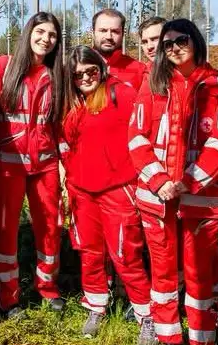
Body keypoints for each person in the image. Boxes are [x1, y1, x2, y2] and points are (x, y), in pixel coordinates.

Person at [127, 18, 218, 345]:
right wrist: (160, 180)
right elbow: (136, 137)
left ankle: (203, 336)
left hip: (202, 198)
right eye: (168, 44)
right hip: (157, 196)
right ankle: (168, 337)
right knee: (162, 271)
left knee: (200, 272)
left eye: (182, 41)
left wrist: (188, 182)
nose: (175, 48)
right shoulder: (152, 85)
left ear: (196, 41)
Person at [62, 46, 156, 342]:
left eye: (91, 71)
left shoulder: (122, 93)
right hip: (82, 190)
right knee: (89, 252)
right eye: (78, 75)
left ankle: (146, 315)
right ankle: (96, 305)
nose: (85, 78)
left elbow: (145, 130)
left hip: (118, 188)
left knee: (125, 254)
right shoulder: (71, 102)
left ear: (101, 69)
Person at [0, 12, 68, 319]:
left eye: (53, 35)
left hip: (45, 165)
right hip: (7, 164)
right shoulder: (3, 67)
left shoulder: (57, 73)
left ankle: (47, 286)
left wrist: (64, 165)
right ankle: (7, 296)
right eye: (40, 31)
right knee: (5, 230)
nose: (46, 39)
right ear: (28, 32)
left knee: (50, 227)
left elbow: (60, 123)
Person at [91, 8, 146, 88]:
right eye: (103, 31)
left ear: (123, 34)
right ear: (93, 33)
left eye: (115, 31)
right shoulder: (77, 67)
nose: (108, 36)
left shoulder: (139, 70)